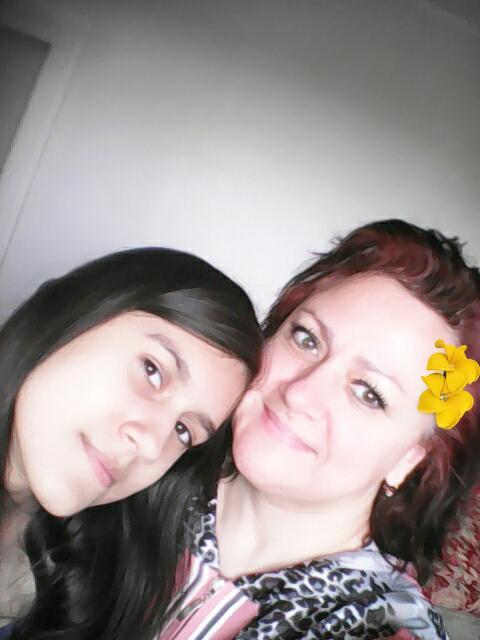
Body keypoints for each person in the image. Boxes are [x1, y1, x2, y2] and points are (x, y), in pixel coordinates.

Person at [159, 220, 480, 639]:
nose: (300, 393)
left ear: (409, 460)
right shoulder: (147, 454)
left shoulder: (377, 626)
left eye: (368, 393)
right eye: (307, 339)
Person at [0, 247, 262, 637]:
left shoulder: (73, 590)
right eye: (153, 371)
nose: (152, 446)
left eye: (184, 431)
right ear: (75, 312)